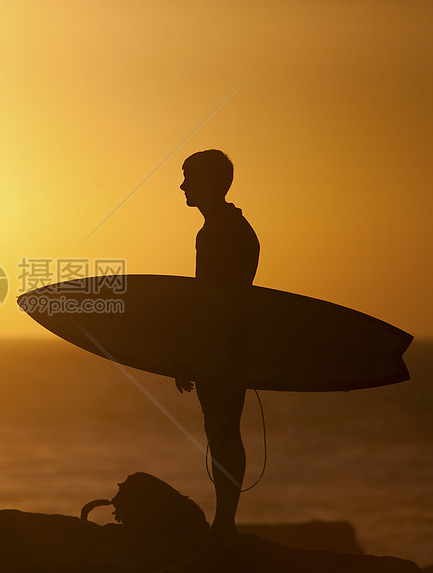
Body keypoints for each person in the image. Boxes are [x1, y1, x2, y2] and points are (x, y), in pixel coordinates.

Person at [177, 149, 259, 537]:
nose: (182, 186)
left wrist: (197, 354)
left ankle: (225, 522)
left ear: (210, 183)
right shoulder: (217, 229)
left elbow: (221, 302)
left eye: (188, 178)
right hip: (221, 347)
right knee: (219, 430)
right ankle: (223, 520)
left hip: (224, 349)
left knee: (223, 431)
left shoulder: (225, 232)